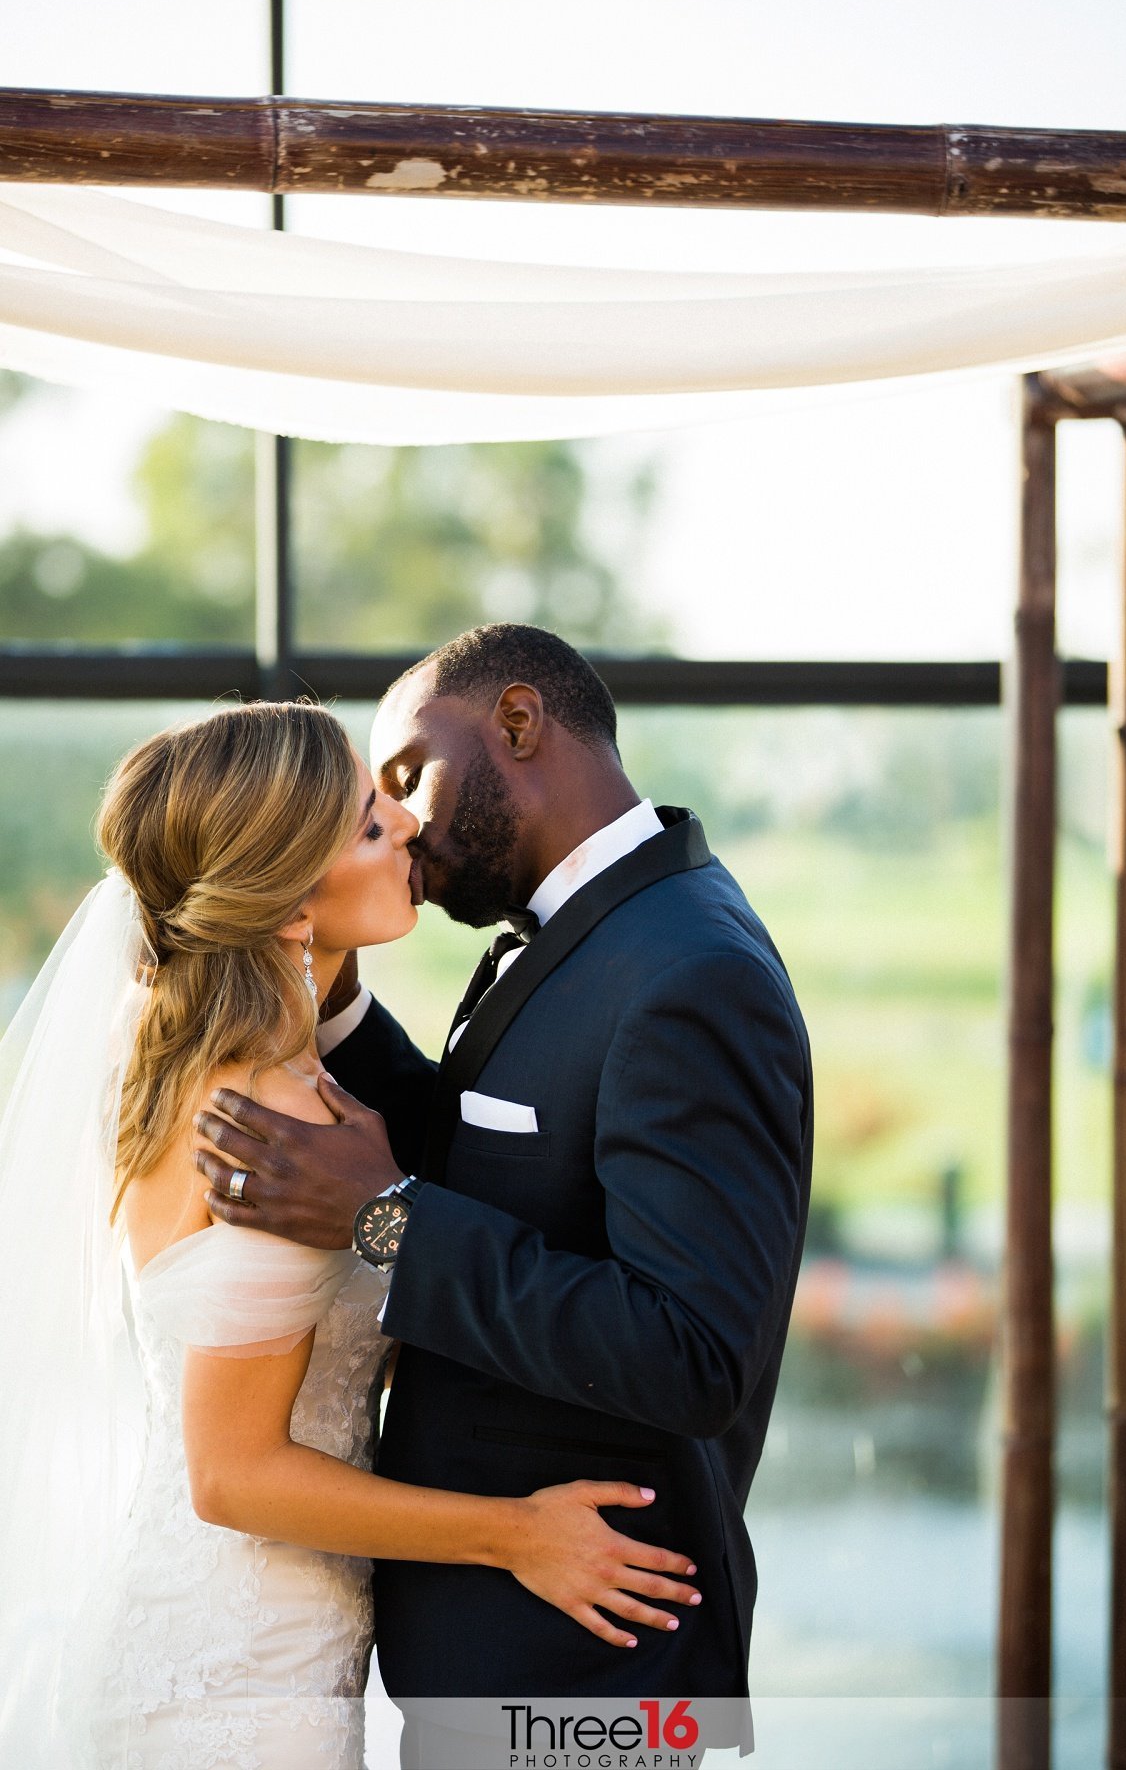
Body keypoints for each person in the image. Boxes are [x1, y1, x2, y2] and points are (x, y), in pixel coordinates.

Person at [0, 700, 702, 1770]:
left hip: (285, 1646)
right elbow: (230, 1475)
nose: (411, 827)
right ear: (286, 906)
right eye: (373, 824)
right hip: (229, 1680)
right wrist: (516, 1535)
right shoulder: (264, 1126)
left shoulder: (253, 1075)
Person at [197, 626, 814, 1769]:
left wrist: (386, 1222)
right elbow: (511, 1169)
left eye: (406, 775)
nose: (405, 823)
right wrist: (328, 1014)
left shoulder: (693, 972)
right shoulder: (590, 930)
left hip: (592, 1673)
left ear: (519, 725)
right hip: (498, 1659)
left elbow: (693, 1353)